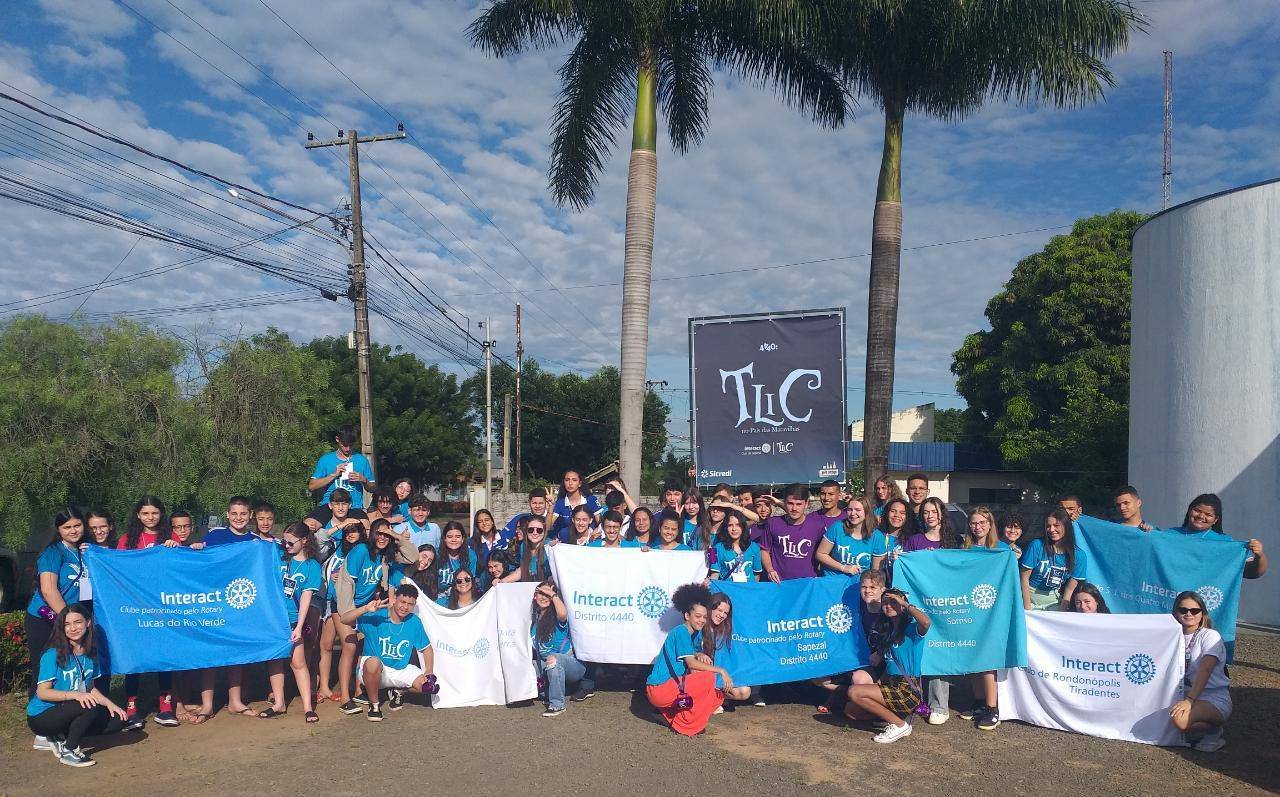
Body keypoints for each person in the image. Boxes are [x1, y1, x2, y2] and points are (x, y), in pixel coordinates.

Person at [27, 604, 138, 767]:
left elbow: (90, 687)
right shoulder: (52, 654)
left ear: (88, 622)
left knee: (115, 721)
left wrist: (111, 704)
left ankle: (61, 735)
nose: (73, 628)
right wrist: (76, 695)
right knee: (88, 706)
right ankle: (69, 750)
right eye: (67, 624)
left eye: (77, 622)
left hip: (69, 709)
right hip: (42, 716)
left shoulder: (89, 654)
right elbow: (43, 693)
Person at [114, 497, 180, 726]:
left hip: (164, 609)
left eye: (155, 513)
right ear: (138, 515)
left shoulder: (170, 539)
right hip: (135, 610)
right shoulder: (126, 541)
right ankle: (132, 709)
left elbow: (182, 571)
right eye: (145, 513)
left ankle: (165, 707)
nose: (150, 517)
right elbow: (116, 570)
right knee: (135, 658)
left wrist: (177, 548)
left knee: (165, 656)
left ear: (161, 514)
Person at [843, 588, 931, 743]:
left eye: (893, 602)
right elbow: (891, 663)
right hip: (890, 682)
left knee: (854, 692)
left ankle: (900, 725)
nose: (889, 606)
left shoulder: (911, 629)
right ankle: (894, 717)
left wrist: (904, 603)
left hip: (907, 688)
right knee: (850, 710)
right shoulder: (888, 631)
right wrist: (880, 681)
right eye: (885, 603)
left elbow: (926, 622)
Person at [645, 583, 734, 736]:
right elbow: (691, 663)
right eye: (697, 616)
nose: (701, 620)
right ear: (687, 615)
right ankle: (685, 723)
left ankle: (671, 715)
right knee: (707, 678)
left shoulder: (690, 633)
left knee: (716, 696)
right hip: (659, 689)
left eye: (705, 617)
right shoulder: (681, 632)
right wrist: (721, 670)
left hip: (669, 687)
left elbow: (690, 654)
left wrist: (699, 654)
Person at [338, 584, 436, 722]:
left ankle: (399, 691)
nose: (405, 607)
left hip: (400, 669)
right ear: (395, 598)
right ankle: (374, 705)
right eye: (402, 602)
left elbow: (427, 648)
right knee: (373, 662)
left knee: (428, 687)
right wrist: (365, 608)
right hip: (375, 671)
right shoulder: (376, 616)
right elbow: (344, 619)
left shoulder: (414, 621)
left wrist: (429, 671)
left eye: (410, 604)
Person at [26, 508, 88, 720]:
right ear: (59, 530)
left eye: (77, 525)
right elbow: (48, 589)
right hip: (46, 619)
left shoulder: (84, 550)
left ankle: (63, 719)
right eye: (67, 527)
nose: (73, 530)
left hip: (70, 621)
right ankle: (39, 721)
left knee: (66, 668)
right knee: (44, 669)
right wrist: (67, 619)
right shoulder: (53, 552)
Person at [260, 523, 321, 723]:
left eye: (290, 542)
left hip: (294, 619)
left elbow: (306, 597)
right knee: (275, 660)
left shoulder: (312, 566)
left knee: (298, 662)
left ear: (304, 541)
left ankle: (308, 707)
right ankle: (279, 703)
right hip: (273, 618)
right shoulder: (279, 555)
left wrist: (300, 626)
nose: (286, 545)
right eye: (284, 541)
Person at [1169, 591, 1231, 751]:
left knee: (1180, 720)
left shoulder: (1210, 636)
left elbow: (1206, 669)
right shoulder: (1170, 636)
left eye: (1194, 610)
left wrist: (1189, 701)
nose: (1188, 614)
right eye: (1183, 610)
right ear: (1176, 613)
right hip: (1182, 693)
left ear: (1202, 613)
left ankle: (1214, 730)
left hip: (1212, 696)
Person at [316, 520, 367, 706]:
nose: (350, 535)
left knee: (351, 642)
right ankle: (324, 687)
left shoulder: (363, 552)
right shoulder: (336, 548)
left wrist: (343, 578)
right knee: (326, 644)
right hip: (328, 599)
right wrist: (341, 524)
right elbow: (318, 540)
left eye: (354, 531)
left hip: (348, 603)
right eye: (347, 532)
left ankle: (356, 687)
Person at [1165, 493, 1268, 579]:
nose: (1201, 516)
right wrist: (1149, 532)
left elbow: (1253, 572)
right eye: (1197, 510)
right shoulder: (1170, 534)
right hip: (1173, 599)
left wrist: (1259, 556)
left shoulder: (1225, 544)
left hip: (1204, 601)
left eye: (1208, 515)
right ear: (1189, 511)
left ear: (1215, 520)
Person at [531, 578, 594, 716]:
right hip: (546, 666)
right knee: (525, 666)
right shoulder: (532, 621)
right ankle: (550, 691)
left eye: (548, 594)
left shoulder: (558, 617)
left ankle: (557, 704)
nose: (544, 597)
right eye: (541, 593)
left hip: (572, 665)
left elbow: (563, 614)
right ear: (535, 597)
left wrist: (553, 595)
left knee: (553, 659)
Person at [1020, 508, 1087, 611]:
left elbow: (1069, 590)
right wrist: (1027, 610)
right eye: (1048, 526)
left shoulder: (1079, 555)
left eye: (1056, 526)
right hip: (1029, 596)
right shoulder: (1036, 545)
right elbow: (1024, 578)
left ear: (1066, 526)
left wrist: (1062, 612)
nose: (1051, 530)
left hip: (1054, 600)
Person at [760, 484, 828, 582]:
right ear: (784, 502)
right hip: (779, 582)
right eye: (790, 503)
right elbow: (764, 550)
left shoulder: (817, 526)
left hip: (807, 584)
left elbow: (823, 554)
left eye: (799, 504)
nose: (794, 508)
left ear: (806, 504)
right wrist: (770, 570)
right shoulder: (773, 523)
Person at [701, 594, 754, 707]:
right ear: (711, 607)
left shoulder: (725, 629)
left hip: (718, 673)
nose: (722, 615)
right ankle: (704, 698)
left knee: (744, 692)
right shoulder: (698, 624)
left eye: (725, 613)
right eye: (719, 610)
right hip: (699, 672)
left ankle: (715, 698)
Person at [309, 425, 376, 509]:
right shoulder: (326, 460)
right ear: (337, 439)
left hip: (354, 507)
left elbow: (373, 488)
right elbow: (311, 486)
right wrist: (334, 475)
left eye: (351, 445)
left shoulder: (362, 460)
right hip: (329, 506)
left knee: (365, 522)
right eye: (344, 445)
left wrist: (364, 480)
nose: (348, 449)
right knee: (310, 522)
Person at [817, 495, 877, 576]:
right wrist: (843, 568)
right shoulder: (837, 527)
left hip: (859, 583)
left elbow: (876, 572)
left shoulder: (876, 536)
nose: (852, 513)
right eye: (850, 509)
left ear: (866, 512)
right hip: (834, 579)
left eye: (857, 510)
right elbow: (820, 554)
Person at [549, 470, 602, 541]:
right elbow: (548, 527)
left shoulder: (591, 500)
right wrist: (550, 507)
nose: (570, 483)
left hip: (590, 541)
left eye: (574, 480)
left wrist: (596, 532)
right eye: (567, 480)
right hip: (566, 542)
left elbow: (600, 523)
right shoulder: (560, 503)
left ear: (580, 483)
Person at [870, 497, 913, 585]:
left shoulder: (912, 539)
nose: (897, 515)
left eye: (902, 513)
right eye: (893, 511)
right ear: (886, 513)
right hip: (879, 586)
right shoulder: (876, 535)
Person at [710, 511, 762, 582]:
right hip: (727, 590)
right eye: (730, 525)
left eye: (738, 525)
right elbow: (714, 575)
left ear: (743, 527)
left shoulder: (754, 547)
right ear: (726, 527)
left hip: (748, 590)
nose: (734, 529)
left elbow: (757, 575)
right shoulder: (716, 548)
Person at [437, 522, 479, 601]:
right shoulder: (437, 555)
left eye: (458, 536)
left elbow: (470, 582)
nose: (454, 540)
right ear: (444, 539)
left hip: (461, 598)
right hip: (439, 599)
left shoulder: (471, 555)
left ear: (463, 539)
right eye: (449, 537)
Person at [501, 516, 551, 582]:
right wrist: (502, 581)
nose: (535, 533)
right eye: (531, 530)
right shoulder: (523, 546)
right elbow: (523, 569)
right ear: (526, 531)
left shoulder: (550, 547)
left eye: (539, 530)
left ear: (544, 532)